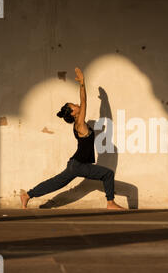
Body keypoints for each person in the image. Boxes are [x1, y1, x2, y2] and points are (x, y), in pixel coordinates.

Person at [20, 67, 125, 210]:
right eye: (74, 106)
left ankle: (28, 195)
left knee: (56, 182)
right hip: (79, 165)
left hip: (75, 164)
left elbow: (93, 111)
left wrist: (104, 103)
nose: (77, 105)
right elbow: (84, 101)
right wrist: (82, 83)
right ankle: (110, 203)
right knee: (107, 174)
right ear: (74, 114)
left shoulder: (79, 124)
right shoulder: (80, 124)